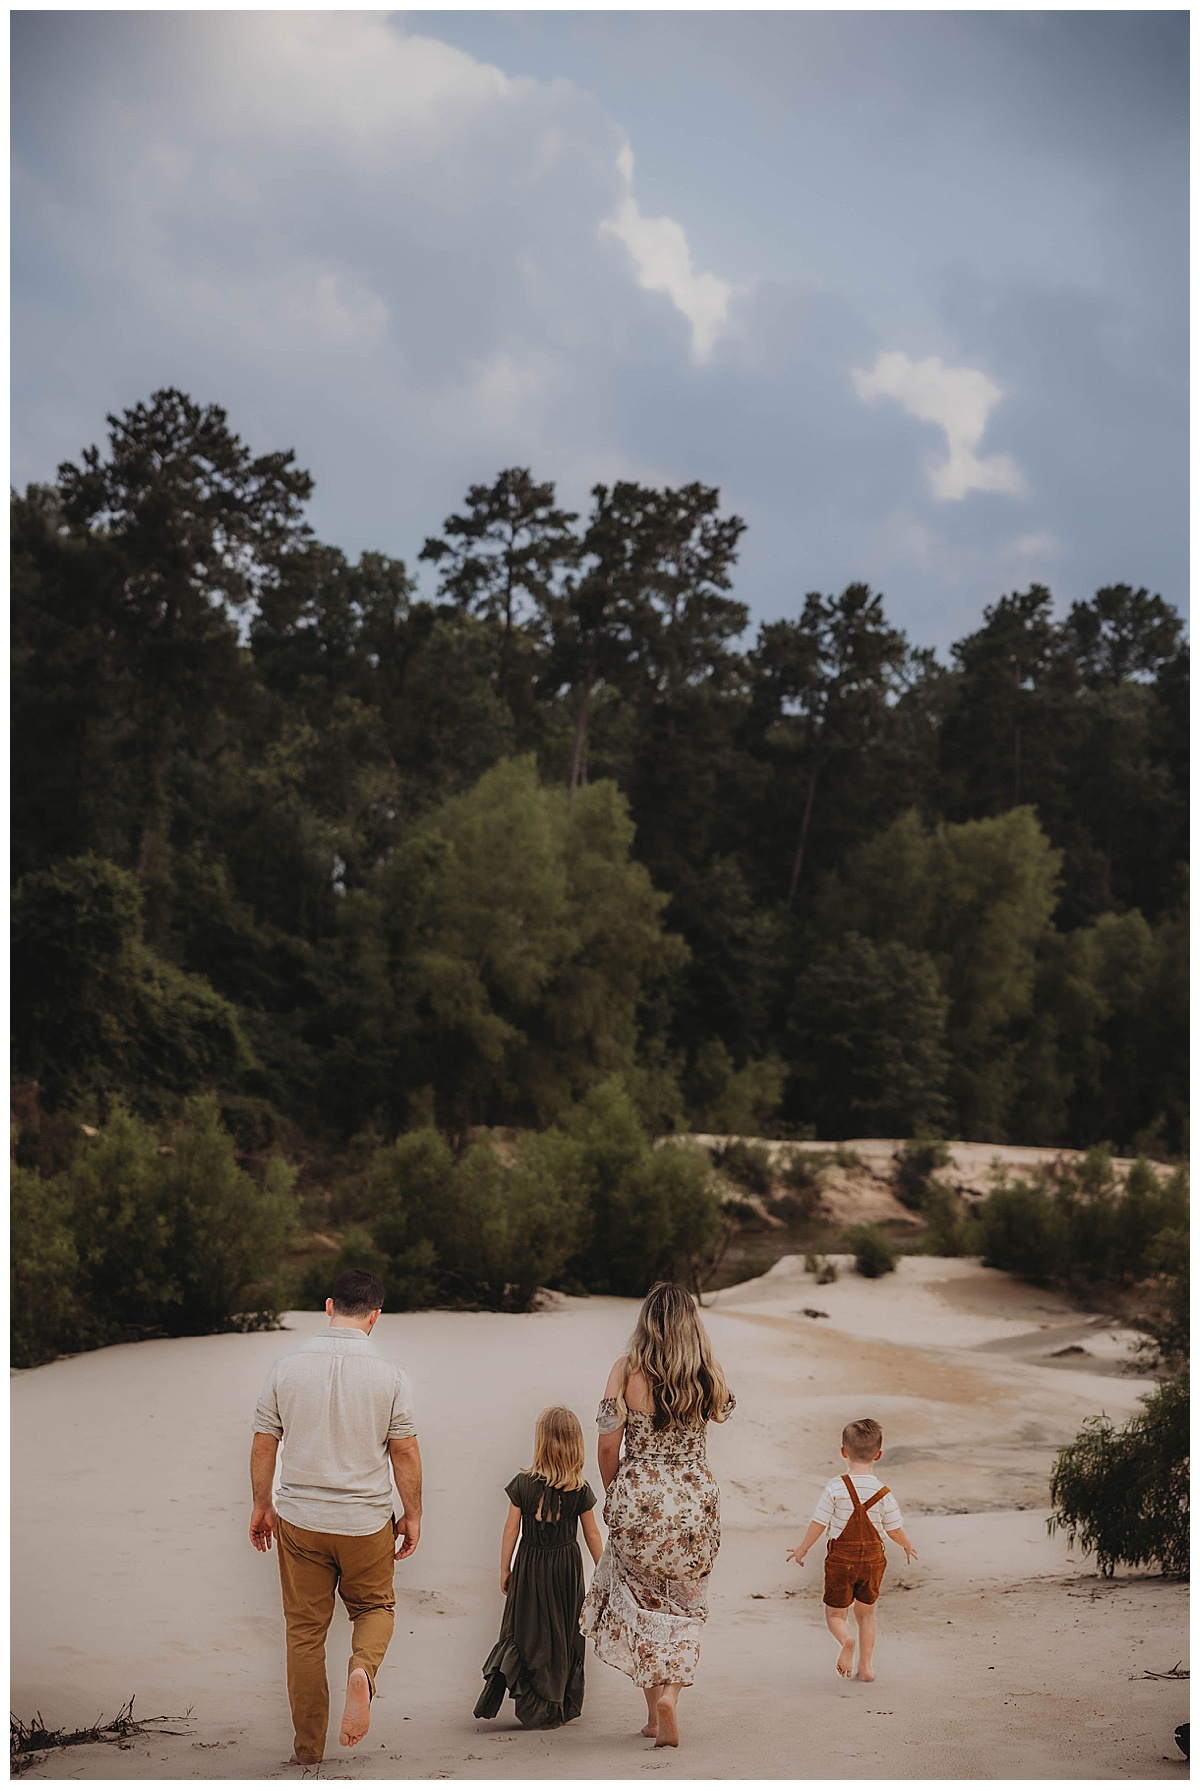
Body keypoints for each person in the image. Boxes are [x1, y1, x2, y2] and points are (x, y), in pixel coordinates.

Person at [249, 1269, 423, 1766]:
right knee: (374, 1609)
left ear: (328, 1306)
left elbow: (265, 1441)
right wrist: (412, 1514)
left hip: (301, 1518)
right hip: (365, 1520)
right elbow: (404, 1451)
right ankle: (363, 1671)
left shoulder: (287, 1365)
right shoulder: (391, 1373)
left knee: (304, 1633)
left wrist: (262, 1505)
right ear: (375, 1315)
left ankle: (307, 1750)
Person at [580, 1282, 734, 1750]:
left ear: (646, 1321)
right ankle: (671, 1695)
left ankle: (652, 1715)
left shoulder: (625, 1369)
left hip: (639, 1500)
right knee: (685, 1606)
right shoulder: (707, 1372)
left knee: (642, 1606)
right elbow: (724, 1411)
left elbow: (608, 1441)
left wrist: (616, 1493)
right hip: (692, 1504)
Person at [474, 1406, 604, 1729]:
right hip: (566, 1571)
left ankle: (534, 1701)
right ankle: (558, 1700)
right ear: (577, 1446)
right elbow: (591, 1533)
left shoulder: (523, 1485)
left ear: (540, 1444)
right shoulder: (579, 1490)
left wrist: (504, 1568)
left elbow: (510, 1530)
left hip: (530, 1568)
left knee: (529, 1632)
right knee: (562, 1633)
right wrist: (604, 1572)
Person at [786, 1417, 917, 1682]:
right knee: (866, 1613)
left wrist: (802, 1548)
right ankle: (866, 1668)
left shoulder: (836, 1487)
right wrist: (907, 1545)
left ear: (843, 1452)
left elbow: (819, 1523)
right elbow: (893, 1530)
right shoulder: (884, 1492)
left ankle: (846, 1640)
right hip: (872, 1560)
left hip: (840, 1560)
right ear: (878, 1455)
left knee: (836, 1613)